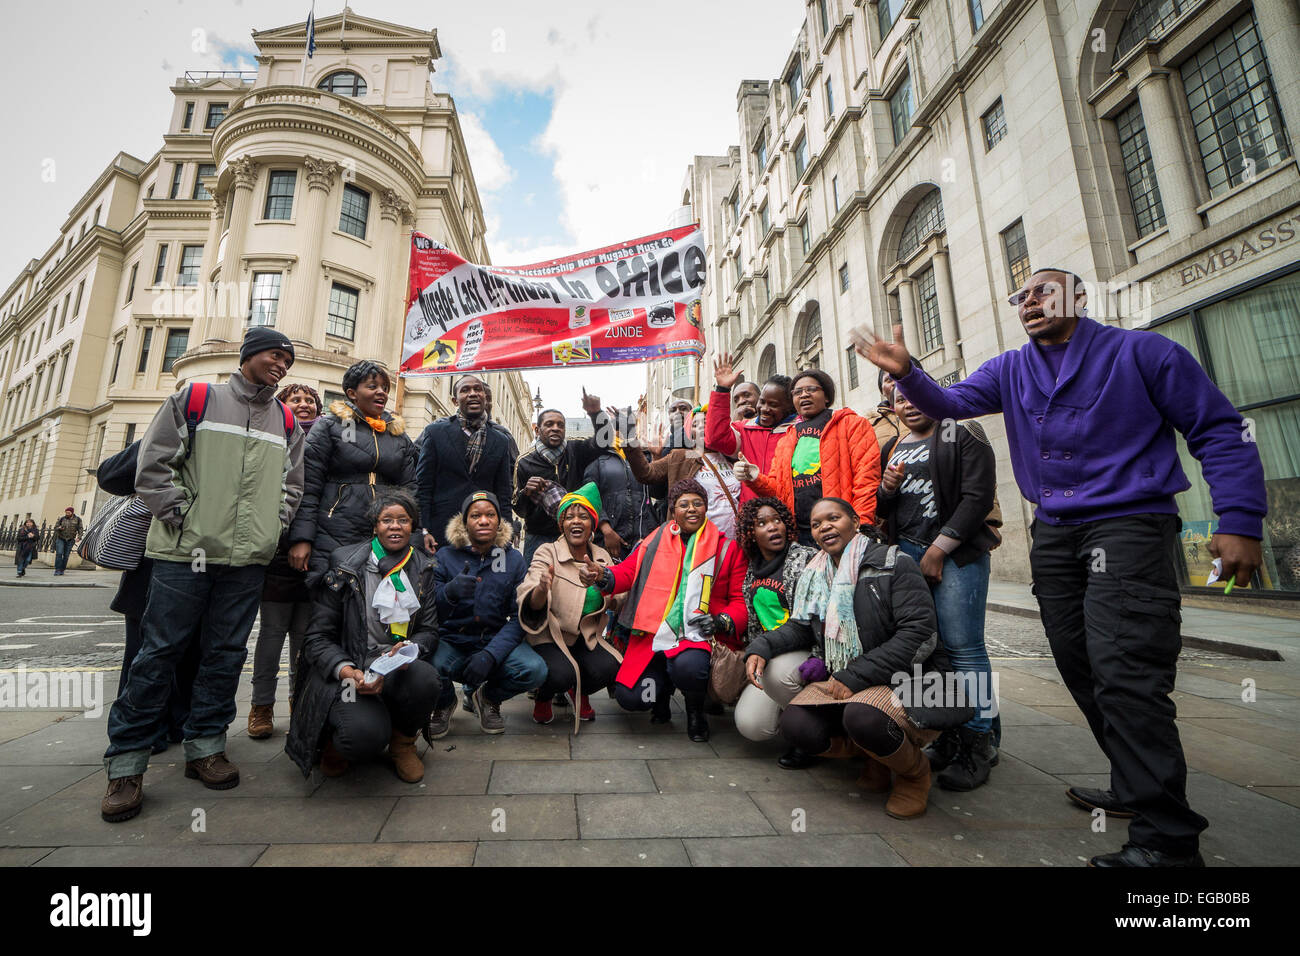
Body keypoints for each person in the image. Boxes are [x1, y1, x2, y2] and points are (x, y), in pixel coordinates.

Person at [855, 267, 1267, 866]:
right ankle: (1134, 783)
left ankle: (1168, 841)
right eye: (1021, 296)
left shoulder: (1144, 352)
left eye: (1044, 290)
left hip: (1129, 526)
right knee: (1080, 664)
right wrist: (908, 373)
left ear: (1080, 296)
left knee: (1126, 672)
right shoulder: (1011, 367)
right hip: (1055, 533)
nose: (1030, 302)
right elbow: (951, 402)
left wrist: (1240, 520)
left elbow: (1219, 430)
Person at [100, 326, 305, 823]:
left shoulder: (285, 419)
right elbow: (153, 466)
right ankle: (126, 765)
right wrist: (181, 514)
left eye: (287, 361)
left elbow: (291, 487)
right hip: (182, 556)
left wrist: (268, 530)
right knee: (158, 654)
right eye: (274, 356)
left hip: (246, 563)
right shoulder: (195, 399)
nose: (281, 366)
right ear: (249, 354)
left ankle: (206, 748)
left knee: (225, 654)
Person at [744, 497, 974, 819]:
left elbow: (920, 634)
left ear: (855, 521)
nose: (824, 526)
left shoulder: (894, 562)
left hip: (907, 677)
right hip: (851, 678)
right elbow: (801, 628)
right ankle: (876, 756)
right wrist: (762, 647)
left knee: (863, 717)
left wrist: (854, 675)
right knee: (796, 724)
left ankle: (913, 774)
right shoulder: (817, 574)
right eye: (816, 524)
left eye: (833, 518)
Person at [877, 389, 1000, 790]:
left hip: (955, 556)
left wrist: (938, 549)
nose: (906, 403)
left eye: (912, 393)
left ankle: (979, 743)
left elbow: (977, 498)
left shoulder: (963, 434)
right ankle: (947, 735)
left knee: (965, 647)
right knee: (934, 650)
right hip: (908, 555)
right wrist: (888, 489)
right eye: (896, 398)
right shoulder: (893, 447)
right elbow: (884, 510)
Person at [286, 491, 442, 782]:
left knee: (427, 679)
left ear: (413, 527)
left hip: (396, 666)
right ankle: (336, 743)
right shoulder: (345, 565)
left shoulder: (423, 568)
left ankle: (402, 743)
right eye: (387, 520)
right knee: (361, 737)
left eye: (403, 520)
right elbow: (317, 638)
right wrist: (347, 671)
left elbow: (429, 631)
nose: (395, 527)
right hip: (352, 667)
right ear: (375, 526)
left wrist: (409, 649)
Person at [588, 478, 748, 742]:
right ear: (673, 511)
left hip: (694, 636)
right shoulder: (651, 542)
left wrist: (722, 621)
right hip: (651, 634)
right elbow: (627, 573)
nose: (692, 509)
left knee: (688, 668)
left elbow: (739, 602)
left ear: (706, 508)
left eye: (698, 503)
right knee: (632, 698)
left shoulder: (727, 549)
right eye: (684, 504)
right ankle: (660, 694)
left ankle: (695, 712)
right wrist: (603, 575)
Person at [96, 441, 198, 754]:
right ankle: (140, 730)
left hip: (203, 564)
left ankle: (180, 723)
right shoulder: (170, 434)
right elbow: (111, 475)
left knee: (193, 651)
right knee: (144, 652)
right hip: (152, 567)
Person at [425, 492, 545, 738]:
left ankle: (488, 698)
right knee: (428, 665)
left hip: (494, 639)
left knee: (535, 670)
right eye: (475, 515)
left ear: (499, 522)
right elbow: (430, 614)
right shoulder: (445, 557)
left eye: (490, 515)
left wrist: (491, 655)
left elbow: (518, 617)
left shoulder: (513, 559)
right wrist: (450, 592)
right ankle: (444, 703)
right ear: (464, 522)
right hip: (453, 642)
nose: (483, 521)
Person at [288, 362, 417, 586]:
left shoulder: (399, 435)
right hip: (333, 531)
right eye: (372, 386)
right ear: (352, 393)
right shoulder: (329, 426)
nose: (381, 393)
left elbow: (411, 490)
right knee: (331, 602)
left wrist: (416, 535)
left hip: (384, 533)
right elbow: (308, 486)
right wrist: (302, 538)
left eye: (385, 388)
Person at [248, 382, 322, 740]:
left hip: (315, 554)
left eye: (310, 400)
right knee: (272, 633)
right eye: (296, 399)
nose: (304, 404)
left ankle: (300, 702)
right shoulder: (271, 435)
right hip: (276, 551)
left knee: (305, 637)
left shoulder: (326, 440)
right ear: (281, 405)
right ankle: (261, 706)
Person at [518, 482, 624, 729]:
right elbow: (530, 593)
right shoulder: (547, 552)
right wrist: (542, 589)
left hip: (586, 638)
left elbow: (619, 599)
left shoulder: (601, 556)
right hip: (551, 639)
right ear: (561, 524)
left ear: (592, 525)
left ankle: (579, 691)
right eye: (570, 517)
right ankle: (544, 696)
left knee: (610, 667)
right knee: (559, 674)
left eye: (583, 516)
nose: (576, 522)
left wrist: (604, 582)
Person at [738, 368, 881, 546]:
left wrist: (863, 525)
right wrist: (754, 477)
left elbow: (866, 480)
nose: (804, 395)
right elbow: (779, 491)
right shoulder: (787, 439)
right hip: (801, 536)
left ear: (827, 396)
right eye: (798, 392)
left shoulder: (852, 424)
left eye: (811, 389)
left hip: (843, 532)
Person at [731, 497, 816, 763]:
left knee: (776, 674)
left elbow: (807, 622)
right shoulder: (752, 569)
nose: (772, 527)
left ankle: (813, 736)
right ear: (751, 533)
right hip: (771, 651)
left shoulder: (805, 559)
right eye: (762, 523)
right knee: (751, 725)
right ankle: (792, 717)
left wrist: (765, 648)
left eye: (777, 520)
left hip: (805, 649)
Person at [416, 375, 515, 552]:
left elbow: (504, 491)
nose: (472, 394)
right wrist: (423, 529)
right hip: (442, 532)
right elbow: (423, 485)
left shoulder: (500, 440)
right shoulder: (435, 432)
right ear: (455, 400)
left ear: (485, 397)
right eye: (465, 390)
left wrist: (506, 534)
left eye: (478, 390)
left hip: (484, 533)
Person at [513, 392, 605, 564]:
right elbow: (518, 509)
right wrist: (527, 493)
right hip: (538, 538)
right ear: (537, 430)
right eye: (549, 424)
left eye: (560, 425)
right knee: (535, 587)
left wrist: (596, 413)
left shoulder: (576, 449)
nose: (555, 428)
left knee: (575, 587)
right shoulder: (524, 461)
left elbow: (605, 441)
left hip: (574, 536)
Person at [627, 405, 741, 541]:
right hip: (697, 543)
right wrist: (630, 439)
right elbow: (646, 473)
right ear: (689, 432)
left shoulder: (734, 456)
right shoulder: (681, 457)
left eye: (706, 422)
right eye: (695, 424)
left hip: (736, 543)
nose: (701, 427)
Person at [706, 353, 796, 504]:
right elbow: (715, 439)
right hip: (752, 516)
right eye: (763, 402)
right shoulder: (744, 429)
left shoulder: (799, 430)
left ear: (789, 407)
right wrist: (722, 390)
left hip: (790, 515)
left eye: (773, 404)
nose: (764, 409)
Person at [582, 407, 658, 560]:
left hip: (645, 539)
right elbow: (589, 495)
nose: (620, 432)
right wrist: (606, 530)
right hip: (609, 539)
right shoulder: (598, 458)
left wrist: (656, 458)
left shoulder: (646, 456)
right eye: (616, 427)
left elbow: (657, 493)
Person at [52, 507, 83, 575]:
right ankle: (57, 569)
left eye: (69, 512)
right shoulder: (62, 519)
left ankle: (62, 569)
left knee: (66, 555)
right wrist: (59, 528)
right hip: (61, 538)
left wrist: (79, 537)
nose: (67, 514)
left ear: (72, 512)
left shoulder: (78, 519)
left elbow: (80, 529)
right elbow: (55, 527)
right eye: (66, 512)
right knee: (59, 554)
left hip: (70, 539)